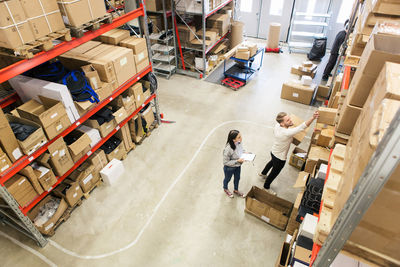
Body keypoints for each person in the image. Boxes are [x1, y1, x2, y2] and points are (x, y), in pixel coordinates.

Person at [259, 111, 319, 195]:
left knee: (271, 162)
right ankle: (266, 187)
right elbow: (302, 127)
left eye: (289, 118)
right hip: (280, 158)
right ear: (282, 124)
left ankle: (263, 173)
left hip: (273, 151)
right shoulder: (286, 133)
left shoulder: (277, 125)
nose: (291, 121)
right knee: (274, 173)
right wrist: (313, 117)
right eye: (288, 120)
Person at [223, 130, 246, 198]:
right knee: (227, 179)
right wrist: (237, 161)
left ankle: (236, 190)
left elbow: (241, 150)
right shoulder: (228, 149)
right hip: (229, 168)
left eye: (240, 136)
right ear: (233, 140)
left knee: (237, 178)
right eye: (239, 137)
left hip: (238, 166)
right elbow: (225, 162)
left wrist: (245, 153)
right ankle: (225, 188)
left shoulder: (239, 142)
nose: (241, 138)